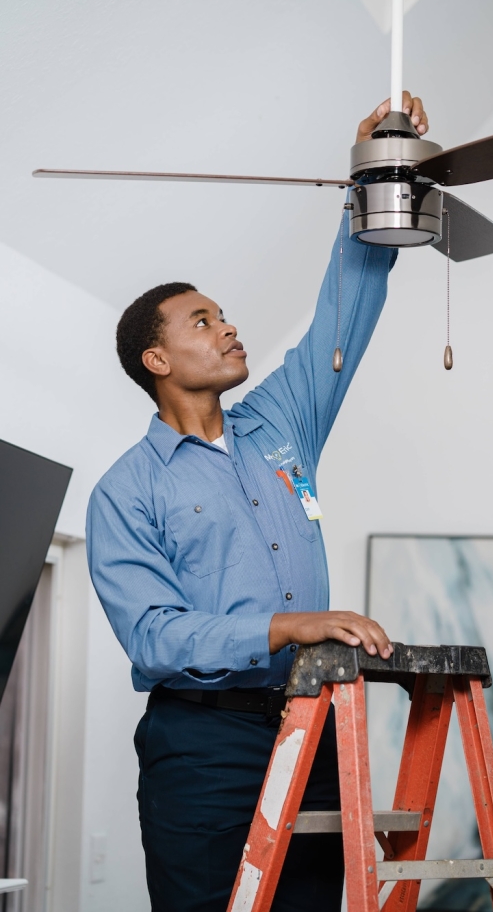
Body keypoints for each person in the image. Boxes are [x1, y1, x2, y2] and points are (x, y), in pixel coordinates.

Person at [86, 91, 429, 912]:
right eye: (203, 321)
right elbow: (157, 636)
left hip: (312, 727)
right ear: (157, 358)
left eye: (226, 315)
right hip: (201, 745)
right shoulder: (125, 492)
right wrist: (288, 626)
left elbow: (340, 319)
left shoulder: (280, 426)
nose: (228, 328)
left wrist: (370, 176)